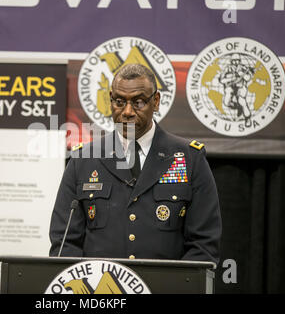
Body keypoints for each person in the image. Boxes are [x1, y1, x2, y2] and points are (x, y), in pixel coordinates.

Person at [49, 63, 222, 264]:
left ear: (155, 101)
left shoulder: (189, 158)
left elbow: (204, 245)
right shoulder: (83, 160)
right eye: (119, 102)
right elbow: (64, 243)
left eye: (138, 102)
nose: (128, 111)